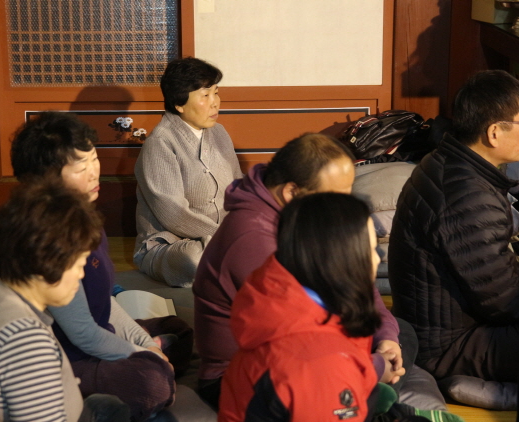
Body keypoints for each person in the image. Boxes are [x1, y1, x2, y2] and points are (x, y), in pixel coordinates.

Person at [194, 133, 407, 407]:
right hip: (250, 382)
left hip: (306, 355)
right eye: (334, 196)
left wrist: (387, 339)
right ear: (292, 192)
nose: (343, 206)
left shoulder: (305, 217)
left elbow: (356, 285)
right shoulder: (254, 239)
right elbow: (306, 343)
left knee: (402, 333)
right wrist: (375, 367)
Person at [11, 112, 183, 421]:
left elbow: (105, 302)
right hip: (65, 358)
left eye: (94, 159)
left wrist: (144, 345)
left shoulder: (84, 215)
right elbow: (82, 333)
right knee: (152, 385)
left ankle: (150, 361)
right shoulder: (47, 237)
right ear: (47, 178)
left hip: (100, 335)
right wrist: (144, 356)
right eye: (81, 167)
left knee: (178, 330)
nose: (94, 173)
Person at [0, 179, 125, 422]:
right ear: (49, 262)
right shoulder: (24, 338)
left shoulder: (4, 295)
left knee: (111, 406)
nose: (81, 276)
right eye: (78, 266)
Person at [389, 69, 519, 382]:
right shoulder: (468, 197)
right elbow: (504, 301)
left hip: (451, 325)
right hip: (450, 346)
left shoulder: (448, 161)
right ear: (494, 133)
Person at [218, 193, 383, 421]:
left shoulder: (286, 308)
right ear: (341, 258)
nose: (378, 259)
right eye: (371, 249)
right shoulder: (321, 366)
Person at [134, 57, 242, 287]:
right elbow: (174, 215)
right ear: (179, 104)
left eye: (216, 93)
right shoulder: (160, 143)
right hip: (172, 244)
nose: (215, 103)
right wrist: (228, 237)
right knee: (192, 259)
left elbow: (238, 186)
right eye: (205, 95)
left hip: (225, 237)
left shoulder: (220, 133)